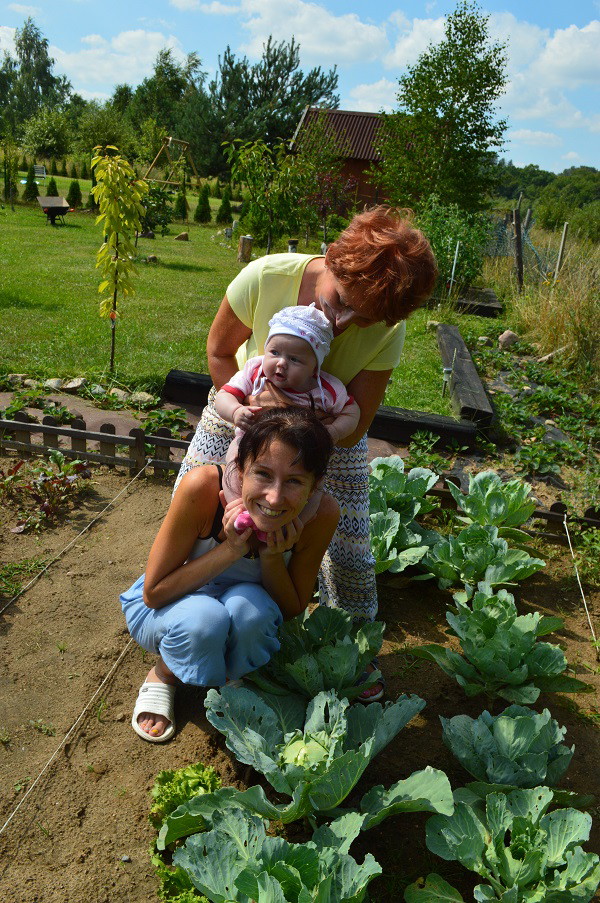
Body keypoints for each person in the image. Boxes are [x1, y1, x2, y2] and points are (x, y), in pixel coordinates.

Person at [174, 205, 437, 700]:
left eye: (365, 317)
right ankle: (177, 637)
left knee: (352, 545)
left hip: (329, 433)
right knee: (193, 506)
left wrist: (303, 431)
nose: (345, 322)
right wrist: (248, 412)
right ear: (333, 260)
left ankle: (349, 648)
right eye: (342, 301)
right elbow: (218, 350)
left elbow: (356, 422)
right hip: (245, 408)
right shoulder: (266, 275)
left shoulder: (384, 325)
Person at [121, 408, 339, 742]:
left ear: (316, 485)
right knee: (205, 618)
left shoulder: (321, 514)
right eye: (263, 474)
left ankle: (233, 678)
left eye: (294, 481)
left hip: (245, 610)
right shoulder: (203, 487)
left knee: (251, 611)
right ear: (240, 467)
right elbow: (154, 593)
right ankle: (164, 672)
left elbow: (292, 608)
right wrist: (232, 549)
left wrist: (272, 556)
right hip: (167, 609)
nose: (275, 497)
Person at [214, 303, 360, 526]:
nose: (281, 363)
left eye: (294, 359)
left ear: (314, 368)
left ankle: (295, 524)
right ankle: (241, 513)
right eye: (274, 352)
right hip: (251, 446)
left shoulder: (327, 389)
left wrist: (334, 431)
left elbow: (352, 412)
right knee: (235, 468)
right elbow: (223, 395)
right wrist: (235, 411)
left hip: (305, 453)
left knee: (313, 489)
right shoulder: (255, 371)